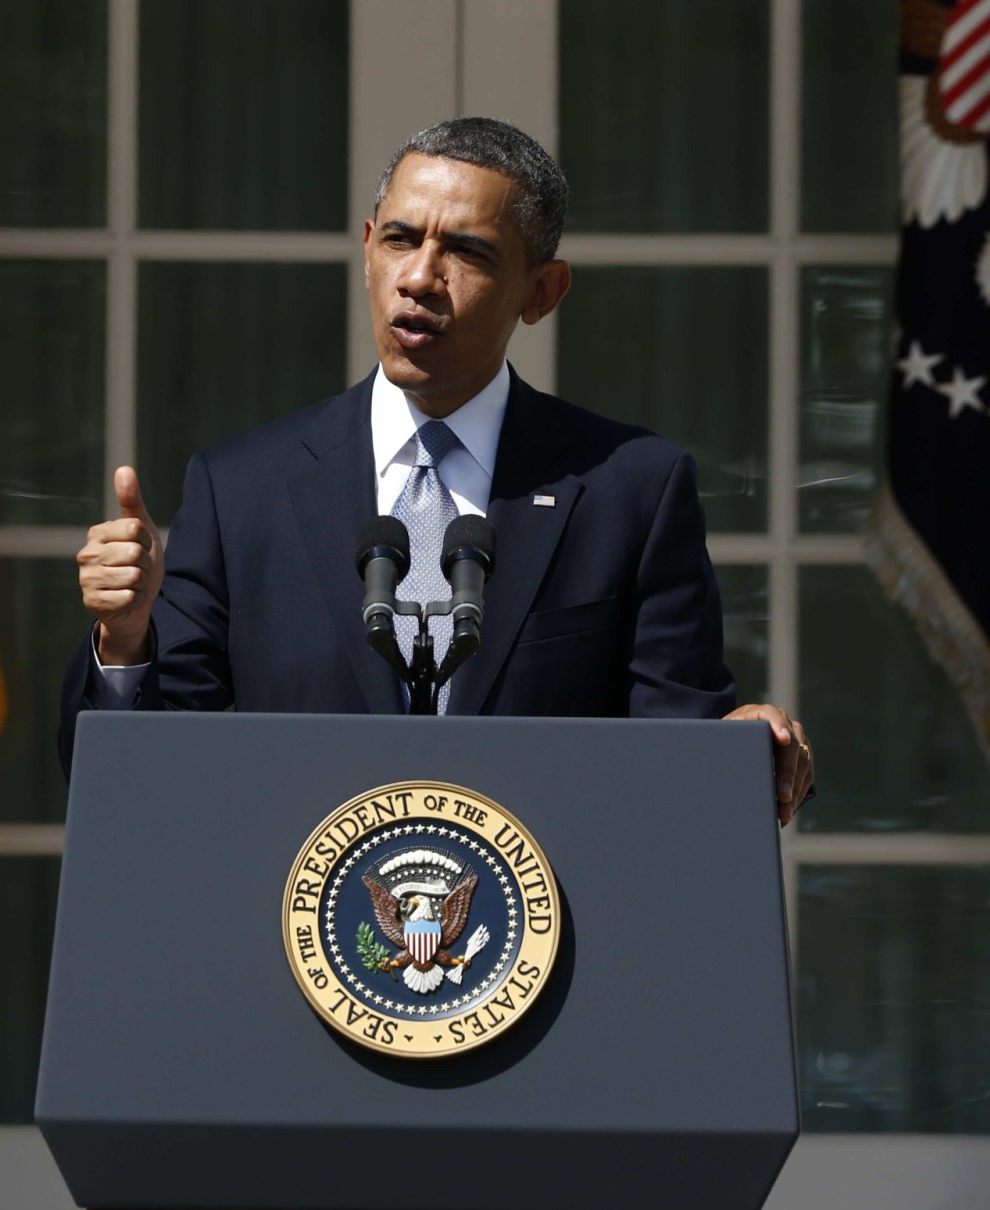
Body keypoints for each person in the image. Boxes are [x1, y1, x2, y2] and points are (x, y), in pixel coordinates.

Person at [62, 118, 815, 814]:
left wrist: (743, 749)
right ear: (366, 252)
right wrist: (124, 642)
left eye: (466, 251)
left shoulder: (632, 490)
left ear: (541, 292)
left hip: (551, 940)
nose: (420, 277)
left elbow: (680, 759)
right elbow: (130, 779)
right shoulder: (242, 489)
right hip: (299, 936)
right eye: (399, 240)